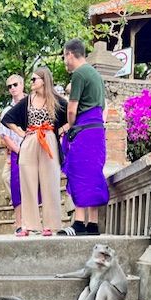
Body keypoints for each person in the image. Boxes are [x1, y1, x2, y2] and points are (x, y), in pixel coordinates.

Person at [2, 68, 67, 237]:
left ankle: (50, 225)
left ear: (44, 80)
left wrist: (61, 130)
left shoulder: (57, 100)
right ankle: (28, 225)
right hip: (30, 141)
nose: (31, 83)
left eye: (33, 79)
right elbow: (7, 119)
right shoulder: (27, 101)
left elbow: (73, 116)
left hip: (49, 141)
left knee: (50, 182)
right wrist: (21, 133)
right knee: (27, 183)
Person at [58, 38, 108, 236]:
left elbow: (72, 108)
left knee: (78, 172)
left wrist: (69, 126)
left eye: (64, 56)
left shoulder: (79, 74)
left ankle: (79, 222)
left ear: (70, 54)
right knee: (94, 173)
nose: (65, 61)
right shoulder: (96, 74)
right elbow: (102, 107)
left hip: (83, 130)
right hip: (97, 130)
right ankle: (92, 224)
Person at [0, 74, 26, 234]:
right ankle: (19, 223)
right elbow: (5, 136)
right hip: (17, 152)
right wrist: (18, 151)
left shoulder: (32, 105)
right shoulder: (7, 111)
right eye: (9, 86)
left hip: (33, 150)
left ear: (22, 85)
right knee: (16, 187)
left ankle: (33, 222)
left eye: (15, 84)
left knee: (32, 187)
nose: (13, 88)